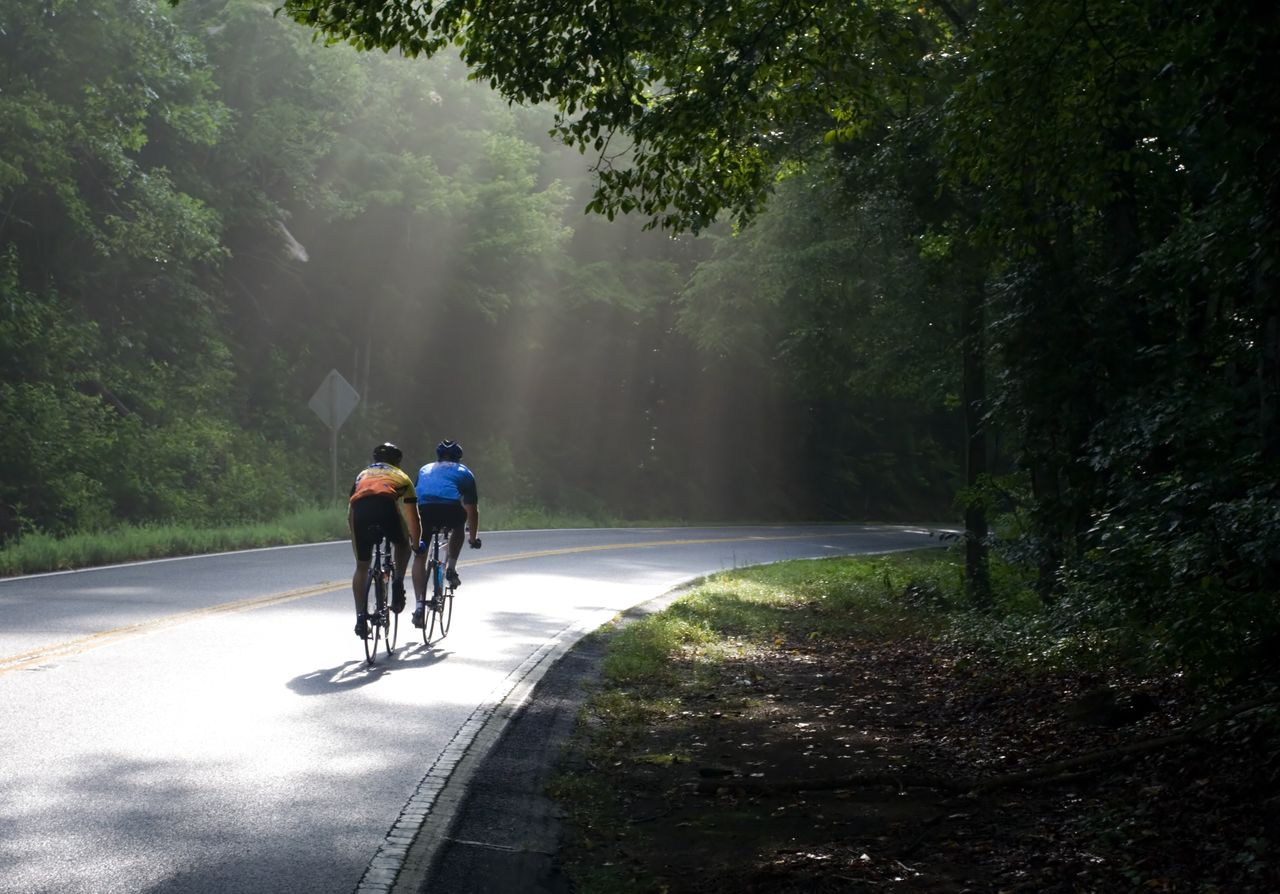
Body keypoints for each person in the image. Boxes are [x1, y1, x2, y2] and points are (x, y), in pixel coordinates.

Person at [348, 442, 421, 638]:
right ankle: (397, 582)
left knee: (362, 566)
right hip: (386, 507)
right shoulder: (402, 476)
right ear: (398, 461)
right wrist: (415, 543)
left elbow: (351, 510)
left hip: (360, 513)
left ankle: (360, 618)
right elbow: (413, 517)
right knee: (402, 544)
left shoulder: (361, 475)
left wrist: (356, 539)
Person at [411, 439, 481, 627]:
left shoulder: (425, 469)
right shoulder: (464, 472)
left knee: (420, 557)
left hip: (423, 511)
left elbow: (416, 495)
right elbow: (472, 510)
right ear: (459, 457)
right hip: (450, 509)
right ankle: (450, 568)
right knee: (459, 526)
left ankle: (419, 606)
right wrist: (473, 538)